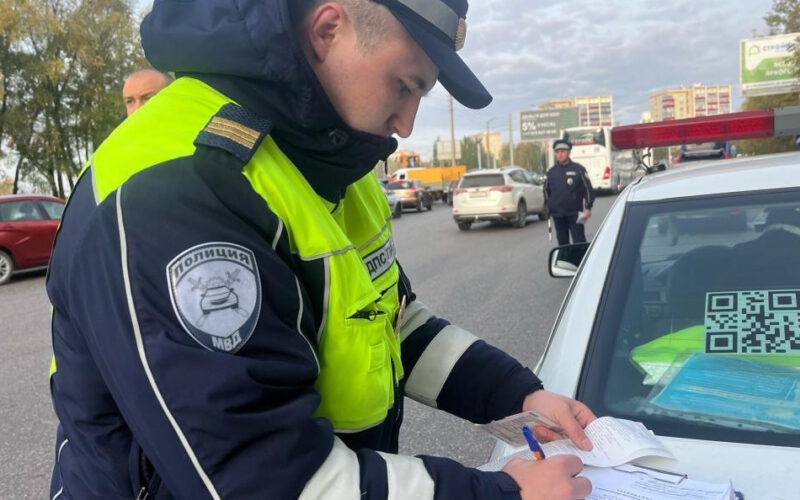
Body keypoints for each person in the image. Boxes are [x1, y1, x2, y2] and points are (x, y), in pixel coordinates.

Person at [47, 1, 595, 499]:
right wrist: (503, 494)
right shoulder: (180, 186)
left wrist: (517, 397)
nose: (406, 125)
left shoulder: (332, 161)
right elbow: (258, 476)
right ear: (328, 30)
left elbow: (391, 326)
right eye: (404, 87)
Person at [544, 139, 594, 267]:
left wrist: (588, 207)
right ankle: (566, 265)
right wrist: (548, 207)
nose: (560, 154)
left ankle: (583, 265)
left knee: (579, 241)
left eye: (563, 151)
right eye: (558, 152)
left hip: (575, 213)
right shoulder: (551, 172)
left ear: (569, 152)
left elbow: (588, 189)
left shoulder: (578, 169)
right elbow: (545, 191)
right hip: (558, 214)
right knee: (562, 242)